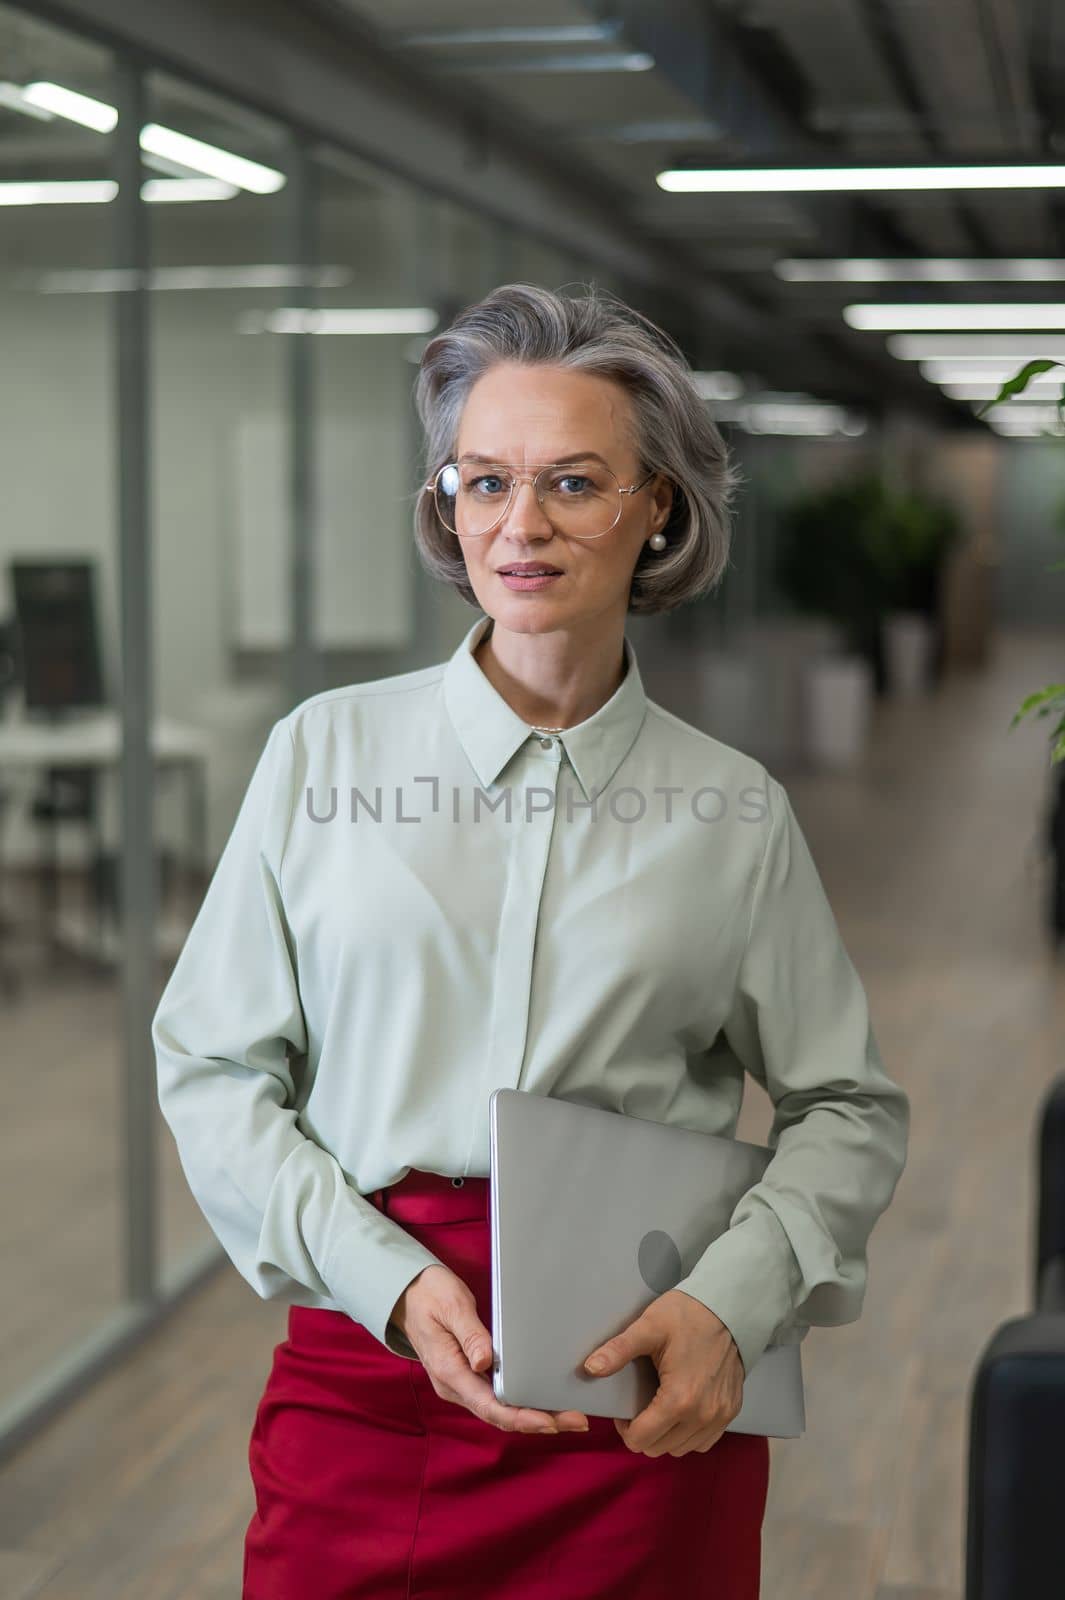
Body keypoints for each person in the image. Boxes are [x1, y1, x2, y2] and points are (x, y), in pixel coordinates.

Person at [153, 281, 910, 1599]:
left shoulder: (731, 811)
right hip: (370, 1371)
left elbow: (844, 1105)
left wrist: (729, 1304)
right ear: (445, 501)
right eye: (484, 480)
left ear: (657, 505)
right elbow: (216, 1072)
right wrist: (385, 1281)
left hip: (639, 1386)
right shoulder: (322, 755)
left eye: (573, 482)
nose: (522, 525)